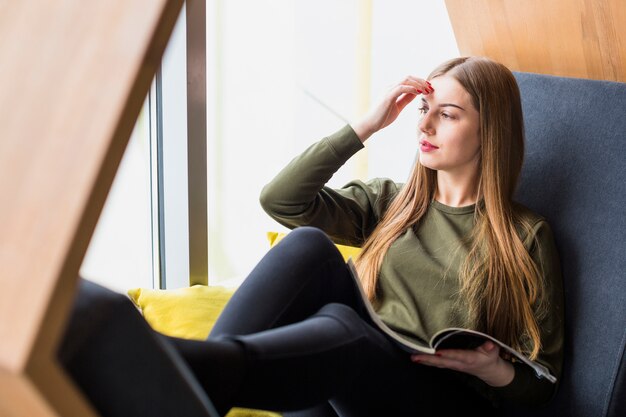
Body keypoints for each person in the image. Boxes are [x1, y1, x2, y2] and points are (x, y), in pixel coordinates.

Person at [168, 56, 564, 417]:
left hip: (441, 400)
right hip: (350, 380)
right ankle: (199, 381)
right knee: (311, 248)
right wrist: (368, 125)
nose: (425, 125)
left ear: (489, 131)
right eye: (425, 109)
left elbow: (542, 384)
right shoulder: (391, 202)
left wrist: (492, 368)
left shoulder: (525, 236)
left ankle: (187, 372)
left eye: (448, 115)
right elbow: (281, 201)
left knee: (343, 328)